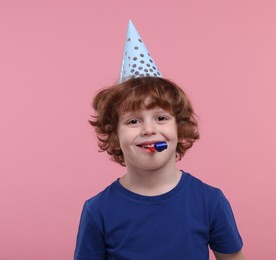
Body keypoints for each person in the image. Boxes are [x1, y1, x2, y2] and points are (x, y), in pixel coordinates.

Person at [74, 21, 244, 260]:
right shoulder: (97, 210)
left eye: (161, 117)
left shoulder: (210, 201)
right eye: (133, 121)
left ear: (180, 128)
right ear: (114, 135)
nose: (149, 129)